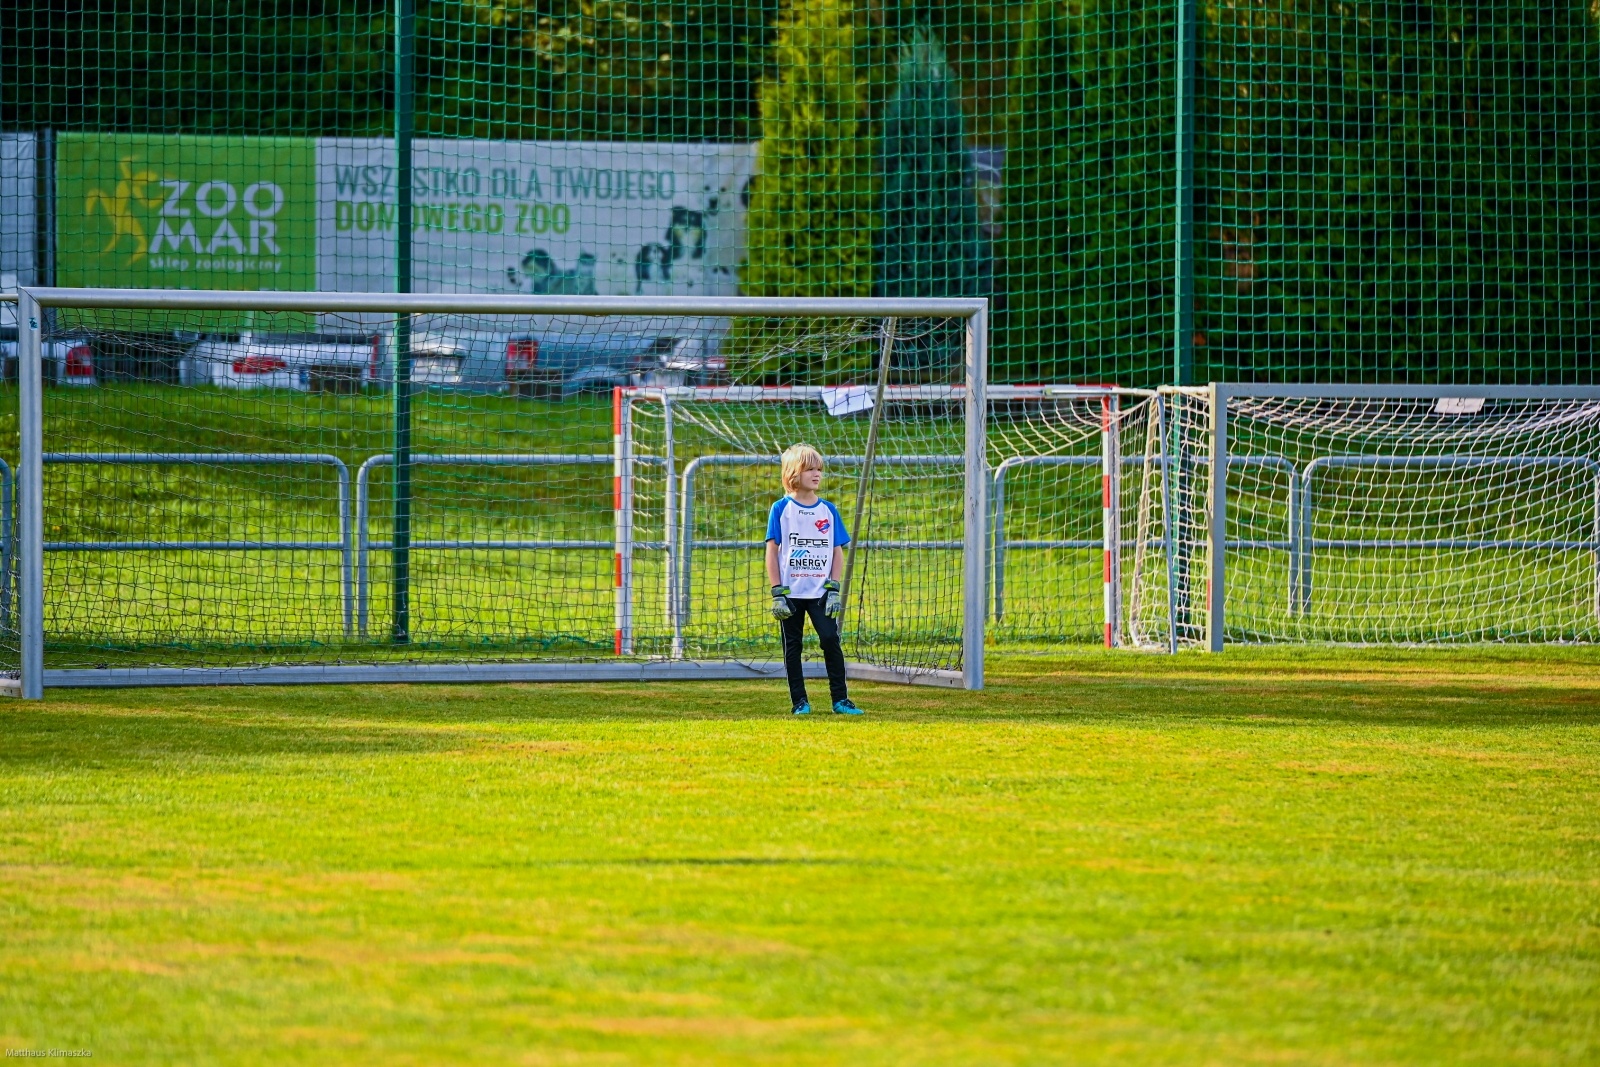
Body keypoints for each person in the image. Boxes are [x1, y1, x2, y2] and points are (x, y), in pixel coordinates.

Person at [764, 444, 863, 716]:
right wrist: (777, 592)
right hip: (791, 594)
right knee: (792, 647)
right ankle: (800, 702)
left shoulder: (828, 510)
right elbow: (772, 551)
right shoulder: (781, 509)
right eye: (810, 468)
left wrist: (834, 587)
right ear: (794, 473)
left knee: (831, 639)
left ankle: (840, 700)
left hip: (820, 593)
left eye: (819, 468)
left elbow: (836, 551)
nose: (817, 473)